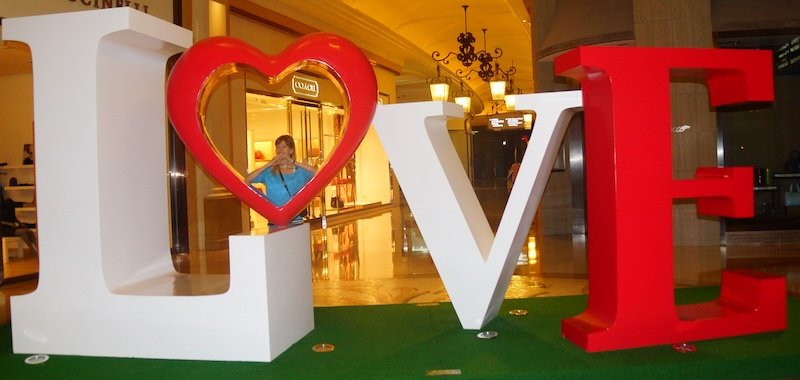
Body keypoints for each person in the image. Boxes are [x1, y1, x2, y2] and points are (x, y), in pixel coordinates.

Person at [246, 135, 316, 224]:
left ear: (291, 150)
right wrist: (269, 164)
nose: (280, 150)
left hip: (295, 219)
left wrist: (293, 162)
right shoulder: (269, 172)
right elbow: (247, 180)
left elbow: (317, 173)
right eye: (278, 147)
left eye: (284, 147)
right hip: (275, 219)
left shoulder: (300, 172)